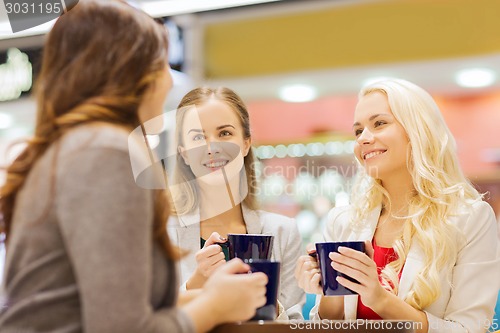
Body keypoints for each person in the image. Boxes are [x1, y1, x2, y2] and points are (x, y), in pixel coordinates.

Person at [0, 1, 268, 332]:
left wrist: (208, 294)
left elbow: (106, 303)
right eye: (162, 65)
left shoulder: (75, 148)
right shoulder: (105, 154)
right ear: (136, 72)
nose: (169, 83)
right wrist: (214, 306)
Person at [295, 78, 500, 333]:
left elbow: (471, 328)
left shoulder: (470, 218)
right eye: (358, 131)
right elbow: (330, 324)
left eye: (379, 123)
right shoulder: (343, 221)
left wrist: (379, 299)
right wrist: (327, 289)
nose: (363, 139)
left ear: (417, 130)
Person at [167, 87, 305, 320]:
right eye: (198, 137)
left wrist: (267, 301)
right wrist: (195, 286)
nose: (212, 148)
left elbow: (294, 323)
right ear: (184, 153)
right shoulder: (159, 233)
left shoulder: (283, 232)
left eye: (224, 134)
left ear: (246, 144)